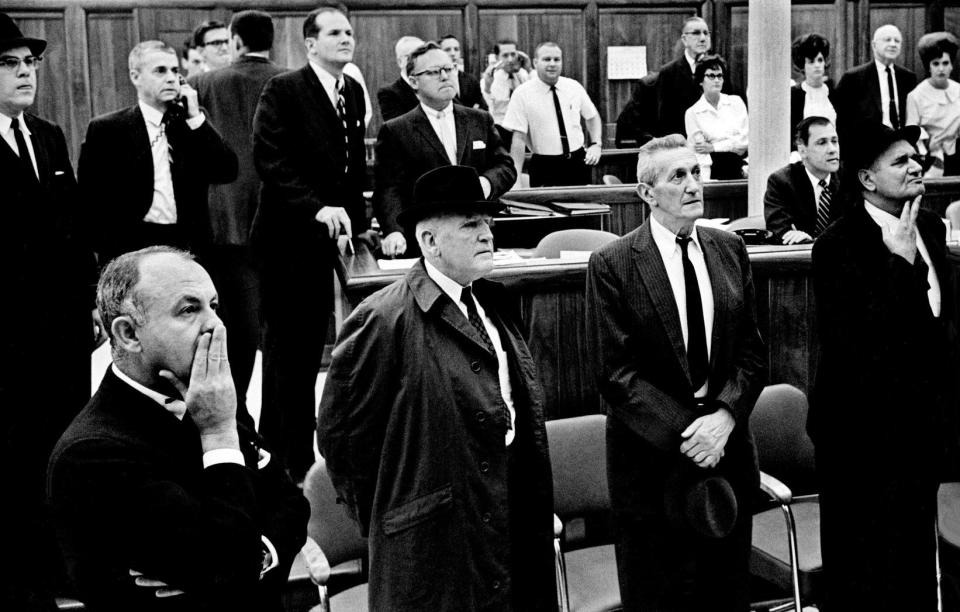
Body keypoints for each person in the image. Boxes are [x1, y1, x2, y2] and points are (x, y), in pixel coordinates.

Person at [318, 165, 557, 611]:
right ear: (429, 242)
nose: (487, 234)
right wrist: (399, 515)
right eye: (471, 224)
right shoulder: (381, 320)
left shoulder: (496, 302)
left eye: (488, 222)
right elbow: (345, 444)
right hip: (431, 546)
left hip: (509, 531)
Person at [48, 247, 309, 612]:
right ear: (127, 334)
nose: (216, 325)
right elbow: (224, 563)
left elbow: (293, 507)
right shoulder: (92, 454)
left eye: (214, 306)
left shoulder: (207, 396)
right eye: (189, 310)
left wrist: (259, 556)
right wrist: (218, 435)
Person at [586, 135, 765, 611]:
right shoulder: (614, 262)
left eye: (696, 173)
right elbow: (615, 374)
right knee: (660, 597)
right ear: (646, 193)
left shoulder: (729, 249)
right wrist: (693, 434)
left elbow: (752, 353)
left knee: (726, 593)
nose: (692, 186)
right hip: (652, 457)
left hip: (726, 452)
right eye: (677, 176)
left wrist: (724, 419)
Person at [810, 122, 957, 611]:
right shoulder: (837, 245)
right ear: (867, 179)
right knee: (865, 574)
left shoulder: (931, 226)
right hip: (862, 436)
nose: (916, 165)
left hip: (922, 428)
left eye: (915, 157)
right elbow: (865, 343)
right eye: (900, 161)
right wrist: (899, 262)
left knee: (916, 564)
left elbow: (943, 321)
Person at [0, 13, 101, 610]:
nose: (24, 74)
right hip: (7, 336)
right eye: (8, 65)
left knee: (61, 445)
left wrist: (89, 298)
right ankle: (20, 572)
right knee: (13, 453)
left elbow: (73, 229)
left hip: (61, 329)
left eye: (28, 64)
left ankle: (60, 562)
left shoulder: (47, 135)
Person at [252, 5, 367, 483]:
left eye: (349, 32)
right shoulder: (285, 88)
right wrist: (316, 207)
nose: (346, 39)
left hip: (327, 239)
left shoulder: (353, 91)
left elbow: (353, 166)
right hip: (286, 237)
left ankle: (290, 446)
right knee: (289, 353)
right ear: (310, 43)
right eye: (335, 33)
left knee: (307, 349)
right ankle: (286, 458)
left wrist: (360, 224)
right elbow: (270, 159)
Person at [190, 9, 285, 427]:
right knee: (282, 334)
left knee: (236, 334)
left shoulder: (202, 84)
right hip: (282, 217)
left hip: (224, 223)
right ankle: (279, 432)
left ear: (234, 40)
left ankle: (237, 418)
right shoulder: (291, 82)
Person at [78, 40, 238, 265]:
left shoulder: (190, 123)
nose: (171, 78)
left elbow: (227, 170)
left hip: (186, 246)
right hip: (131, 247)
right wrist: (110, 246)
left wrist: (195, 117)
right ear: (136, 77)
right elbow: (90, 200)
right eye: (160, 71)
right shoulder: (108, 129)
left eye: (175, 71)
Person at [373, 42, 515, 258]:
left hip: (477, 232)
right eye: (433, 72)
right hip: (426, 239)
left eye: (449, 69)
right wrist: (394, 231)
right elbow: (388, 188)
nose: (445, 76)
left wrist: (485, 183)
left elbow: (505, 166)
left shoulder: (479, 119)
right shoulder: (396, 130)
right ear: (413, 81)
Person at [502, 41, 602, 187]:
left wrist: (596, 144)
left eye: (557, 59)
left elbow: (592, 117)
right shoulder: (522, 94)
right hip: (544, 166)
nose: (552, 64)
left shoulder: (573, 87)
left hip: (577, 162)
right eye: (546, 59)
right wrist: (515, 180)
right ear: (536, 62)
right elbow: (518, 140)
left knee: (582, 208)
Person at [835, 24, 917, 154]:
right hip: (866, 150)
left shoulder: (908, 78)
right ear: (874, 45)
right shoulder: (853, 78)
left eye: (897, 41)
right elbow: (842, 122)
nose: (893, 44)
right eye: (887, 40)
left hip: (900, 147)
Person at [764, 116, 842, 244]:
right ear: (802, 150)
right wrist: (792, 235)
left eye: (834, 141)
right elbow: (778, 229)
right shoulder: (781, 182)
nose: (832, 149)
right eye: (822, 143)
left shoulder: (850, 178)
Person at [684, 54, 748, 181]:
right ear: (701, 81)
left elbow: (743, 143)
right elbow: (699, 152)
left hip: (740, 168)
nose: (717, 80)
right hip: (711, 172)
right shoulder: (693, 113)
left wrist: (713, 147)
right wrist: (707, 184)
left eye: (720, 76)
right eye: (711, 76)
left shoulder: (736, 102)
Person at [906, 31, 960, 177]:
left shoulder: (958, 90)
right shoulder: (916, 96)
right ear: (928, 67)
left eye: (945, 63)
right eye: (936, 64)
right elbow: (912, 132)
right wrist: (928, 145)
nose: (941, 69)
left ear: (951, 66)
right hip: (931, 158)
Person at [657, 16, 714, 138]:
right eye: (696, 33)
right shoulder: (669, 72)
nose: (703, 38)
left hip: (715, 146)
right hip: (683, 146)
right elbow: (665, 118)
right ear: (684, 39)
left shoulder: (719, 69)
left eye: (706, 33)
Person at [790, 34, 837, 151]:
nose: (817, 65)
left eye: (820, 60)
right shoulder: (794, 96)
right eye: (811, 61)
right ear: (802, 65)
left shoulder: (835, 94)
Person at [481, 39, 530, 143]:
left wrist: (529, 68)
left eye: (513, 54)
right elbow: (488, 110)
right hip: (501, 129)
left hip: (523, 128)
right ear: (497, 58)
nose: (510, 59)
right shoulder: (490, 80)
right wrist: (487, 87)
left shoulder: (523, 75)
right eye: (505, 55)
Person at [376, 35, 424, 122]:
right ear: (400, 62)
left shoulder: (433, 85)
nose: (420, 60)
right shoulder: (389, 93)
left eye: (423, 55)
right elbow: (398, 129)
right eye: (414, 56)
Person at [438, 33, 488, 112]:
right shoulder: (436, 78)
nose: (453, 53)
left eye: (456, 49)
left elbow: (483, 107)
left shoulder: (470, 80)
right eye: (447, 50)